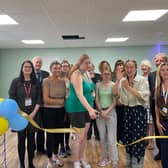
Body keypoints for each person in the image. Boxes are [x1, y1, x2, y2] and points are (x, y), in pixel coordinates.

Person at [65, 54, 97, 168]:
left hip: (86, 108)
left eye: (90, 63)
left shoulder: (86, 74)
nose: (89, 65)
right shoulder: (76, 74)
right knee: (79, 138)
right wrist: (90, 109)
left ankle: (82, 158)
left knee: (84, 137)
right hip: (76, 108)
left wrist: (90, 108)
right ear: (80, 63)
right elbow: (79, 94)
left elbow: (91, 90)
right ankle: (76, 161)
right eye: (86, 63)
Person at [9, 60, 41, 168]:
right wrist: (21, 113)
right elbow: (12, 98)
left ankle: (30, 163)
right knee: (21, 139)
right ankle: (22, 164)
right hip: (19, 116)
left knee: (32, 140)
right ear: (22, 68)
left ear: (32, 69)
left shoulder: (36, 82)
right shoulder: (15, 82)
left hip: (33, 115)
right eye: (25, 66)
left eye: (29, 67)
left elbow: (39, 99)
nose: (27, 68)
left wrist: (33, 113)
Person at [118, 60, 150, 168]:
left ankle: (138, 162)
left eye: (131, 67)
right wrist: (123, 87)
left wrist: (128, 88)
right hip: (127, 111)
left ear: (136, 68)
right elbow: (122, 99)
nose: (129, 69)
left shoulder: (142, 80)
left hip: (139, 111)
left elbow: (143, 96)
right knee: (128, 136)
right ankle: (129, 159)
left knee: (138, 137)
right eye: (127, 67)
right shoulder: (123, 80)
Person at [42, 61, 65, 168]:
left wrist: (63, 105)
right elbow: (46, 100)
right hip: (48, 112)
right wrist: (60, 102)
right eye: (55, 68)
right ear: (51, 69)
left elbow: (65, 98)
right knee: (50, 136)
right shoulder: (46, 81)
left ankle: (56, 155)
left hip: (61, 112)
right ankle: (49, 159)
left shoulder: (63, 81)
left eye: (59, 68)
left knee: (59, 135)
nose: (57, 70)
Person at [96, 61, 118, 168]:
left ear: (110, 74)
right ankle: (105, 158)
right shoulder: (98, 85)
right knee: (102, 137)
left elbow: (114, 102)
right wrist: (101, 111)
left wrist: (107, 111)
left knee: (112, 138)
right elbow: (97, 99)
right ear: (101, 74)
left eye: (108, 73)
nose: (106, 75)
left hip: (111, 113)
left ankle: (114, 161)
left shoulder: (113, 85)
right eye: (104, 73)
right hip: (100, 113)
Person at [148, 53, 168, 160]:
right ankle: (162, 154)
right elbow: (155, 102)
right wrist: (157, 120)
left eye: (161, 60)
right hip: (159, 114)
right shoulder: (153, 78)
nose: (165, 72)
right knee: (160, 135)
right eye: (157, 60)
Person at [32, 56, 49, 155]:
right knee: (32, 128)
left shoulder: (46, 74)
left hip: (43, 105)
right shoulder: (28, 74)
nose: (38, 64)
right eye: (36, 62)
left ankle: (41, 148)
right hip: (32, 106)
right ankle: (32, 148)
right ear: (33, 63)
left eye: (39, 63)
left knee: (42, 128)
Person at [155, 62, 168, 168]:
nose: (165, 72)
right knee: (164, 151)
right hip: (163, 123)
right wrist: (157, 122)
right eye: (163, 70)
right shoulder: (158, 88)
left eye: (167, 70)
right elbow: (156, 106)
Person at [140, 59, 154, 150]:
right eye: (143, 66)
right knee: (144, 123)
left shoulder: (152, 76)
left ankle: (151, 142)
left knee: (150, 123)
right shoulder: (140, 77)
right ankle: (145, 140)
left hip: (150, 103)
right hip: (142, 104)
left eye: (146, 66)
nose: (144, 68)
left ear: (149, 67)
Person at [59, 60, 72, 157]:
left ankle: (67, 145)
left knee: (67, 127)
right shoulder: (58, 78)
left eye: (66, 66)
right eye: (63, 66)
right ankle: (61, 147)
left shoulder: (71, 78)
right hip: (60, 106)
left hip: (70, 106)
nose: (65, 67)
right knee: (60, 127)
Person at [112, 59, 125, 143]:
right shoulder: (113, 77)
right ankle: (116, 139)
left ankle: (123, 138)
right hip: (115, 103)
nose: (120, 66)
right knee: (115, 123)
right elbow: (112, 91)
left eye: (121, 65)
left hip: (124, 103)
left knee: (123, 122)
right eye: (118, 65)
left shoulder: (126, 76)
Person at [87, 63, 101, 141]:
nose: (90, 69)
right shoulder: (84, 77)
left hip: (97, 101)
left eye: (91, 68)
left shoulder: (98, 76)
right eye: (88, 68)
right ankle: (88, 135)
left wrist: (93, 79)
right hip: (88, 101)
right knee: (88, 119)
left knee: (97, 119)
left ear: (94, 68)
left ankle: (97, 135)